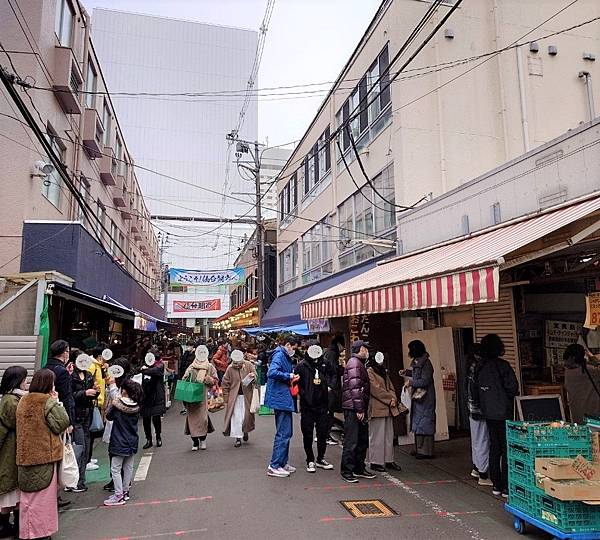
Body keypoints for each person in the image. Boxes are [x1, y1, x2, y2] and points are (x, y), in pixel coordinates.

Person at [16, 369, 70, 540]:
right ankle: (40, 533)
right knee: (43, 500)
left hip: (24, 456)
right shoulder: (47, 402)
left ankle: (27, 531)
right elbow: (62, 423)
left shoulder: (23, 400)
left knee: (28, 500)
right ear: (49, 384)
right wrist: (56, 400)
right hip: (44, 455)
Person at [476, 334, 519, 498]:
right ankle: (507, 486)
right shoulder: (503, 366)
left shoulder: (480, 367)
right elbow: (512, 388)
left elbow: (475, 390)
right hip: (504, 412)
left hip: (488, 413)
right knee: (507, 448)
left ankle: (496, 484)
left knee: (494, 447)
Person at [294, 344, 334, 473]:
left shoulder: (325, 363)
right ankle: (310, 459)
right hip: (307, 406)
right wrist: (303, 394)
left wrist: (330, 386)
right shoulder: (301, 366)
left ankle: (321, 458)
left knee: (322, 433)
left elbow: (334, 374)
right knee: (308, 434)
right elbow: (295, 383)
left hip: (323, 404)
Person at [104, 378, 143, 506]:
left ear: (124, 391)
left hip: (119, 440)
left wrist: (114, 401)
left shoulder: (118, 405)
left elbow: (109, 416)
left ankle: (118, 495)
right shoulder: (136, 406)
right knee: (128, 467)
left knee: (115, 468)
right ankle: (125, 492)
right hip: (132, 439)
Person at [340, 340, 376, 483]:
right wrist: (359, 409)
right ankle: (347, 471)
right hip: (353, 408)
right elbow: (355, 388)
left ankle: (358, 468)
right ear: (361, 349)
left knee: (361, 440)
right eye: (366, 348)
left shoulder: (357, 363)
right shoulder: (355, 363)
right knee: (352, 441)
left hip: (356, 407)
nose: (367, 351)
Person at [264, 337, 299, 478]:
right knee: (283, 433)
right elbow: (271, 372)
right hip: (281, 398)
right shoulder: (279, 355)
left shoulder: (281, 354)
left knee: (286, 432)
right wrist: (289, 375)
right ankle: (274, 465)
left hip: (282, 398)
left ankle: (282, 463)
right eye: (294, 347)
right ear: (288, 345)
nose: (294, 350)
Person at [0, 366, 28, 538]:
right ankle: (11, 528)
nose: (26, 383)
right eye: (24, 379)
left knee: (14, 494)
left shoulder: (10, 399)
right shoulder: (11, 401)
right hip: (10, 452)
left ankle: (10, 527)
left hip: (11, 451)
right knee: (11, 495)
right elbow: (19, 422)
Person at [367, 353, 402, 472]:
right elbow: (375, 389)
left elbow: (391, 387)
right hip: (378, 408)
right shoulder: (370, 371)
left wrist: (393, 399)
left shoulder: (383, 371)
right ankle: (375, 461)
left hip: (388, 408)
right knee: (377, 436)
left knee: (388, 435)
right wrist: (390, 399)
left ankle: (388, 459)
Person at [70, 355, 99, 493]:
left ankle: (81, 480)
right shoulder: (71, 376)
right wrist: (84, 393)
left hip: (88, 413)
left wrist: (96, 392)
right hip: (76, 415)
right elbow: (69, 396)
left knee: (86, 446)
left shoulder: (88, 375)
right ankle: (76, 481)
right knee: (79, 447)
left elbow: (92, 394)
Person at [404, 340, 436, 460]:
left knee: (425, 422)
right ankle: (419, 448)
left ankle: (426, 451)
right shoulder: (418, 361)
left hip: (426, 397)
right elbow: (416, 374)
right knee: (418, 422)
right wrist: (406, 373)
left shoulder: (426, 364)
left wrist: (411, 382)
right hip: (419, 396)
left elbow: (425, 380)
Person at [182, 346, 218, 451]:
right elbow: (184, 380)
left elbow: (216, 380)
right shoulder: (191, 367)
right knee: (192, 420)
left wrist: (209, 379)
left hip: (203, 397)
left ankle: (203, 439)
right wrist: (187, 377)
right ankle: (195, 442)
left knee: (203, 419)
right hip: (191, 397)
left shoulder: (210, 366)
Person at [466, 344, 492, 486]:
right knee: (483, 440)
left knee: (477, 440)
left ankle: (477, 468)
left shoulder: (470, 367)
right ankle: (483, 474)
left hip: (472, 409)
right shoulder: (479, 368)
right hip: (480, 410)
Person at [222, 350, 256, 447]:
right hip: (235, 397)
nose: (238, 364)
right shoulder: (229, 369)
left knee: (246, 416)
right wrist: (226, 398)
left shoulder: (248, 365)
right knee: (236, 417)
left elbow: (255, 376)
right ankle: (238, 438)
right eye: (236, 363)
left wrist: (253, 376)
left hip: (247, 396)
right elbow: (225, 383)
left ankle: (245, 431)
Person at [86, 343, 109, 470]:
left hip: (98, 402)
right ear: (100, 356)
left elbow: (106, 379)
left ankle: (89, 457)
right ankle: (87, 460)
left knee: (93, 430)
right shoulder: (92, 366)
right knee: (91, 429)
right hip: (93, 402)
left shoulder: (99, 366)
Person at [564, 343, 600, 423]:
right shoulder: (592, 371)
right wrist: (591, 356)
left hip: (576, 415)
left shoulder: (567, 371)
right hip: (594, 416)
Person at [45, 340, 75, 426]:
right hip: (59, 413)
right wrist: (69, 422)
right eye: (68, 351)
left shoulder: (46, 367)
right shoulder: (62, 372)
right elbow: (66, 397)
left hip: (46, 410)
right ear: (64, 353)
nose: (68, 354)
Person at [140, 351, 166, 449]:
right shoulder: (144, 366)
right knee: (146, 419)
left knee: (156, 418)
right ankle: (148, 439)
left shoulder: (159, 366)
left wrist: (144, 370)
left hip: (157, 397)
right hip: (146, 397)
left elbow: (156, 371)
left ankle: (158, 436)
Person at [323, 336, 345, 445]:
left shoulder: (329, 352)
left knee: (328, 411)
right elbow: (333, 370)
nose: (344, 349)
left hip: (329, 386)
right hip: (331, 387)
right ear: (339, 344)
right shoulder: (333, 353)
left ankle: (324, 435)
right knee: (329, 411)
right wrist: (342, 368)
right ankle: (325, 436)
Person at [178, 341, 196, 415]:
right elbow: (182, 362)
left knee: (189, 392)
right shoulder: (186, 353)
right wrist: (186, 353)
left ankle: (190, 408)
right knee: (183, 393)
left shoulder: (195, 355)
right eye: (187, 345)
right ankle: (186, 407)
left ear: (193, 346)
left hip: (191, 376)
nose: (188, 347)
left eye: (189, 346)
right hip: (183, 374)